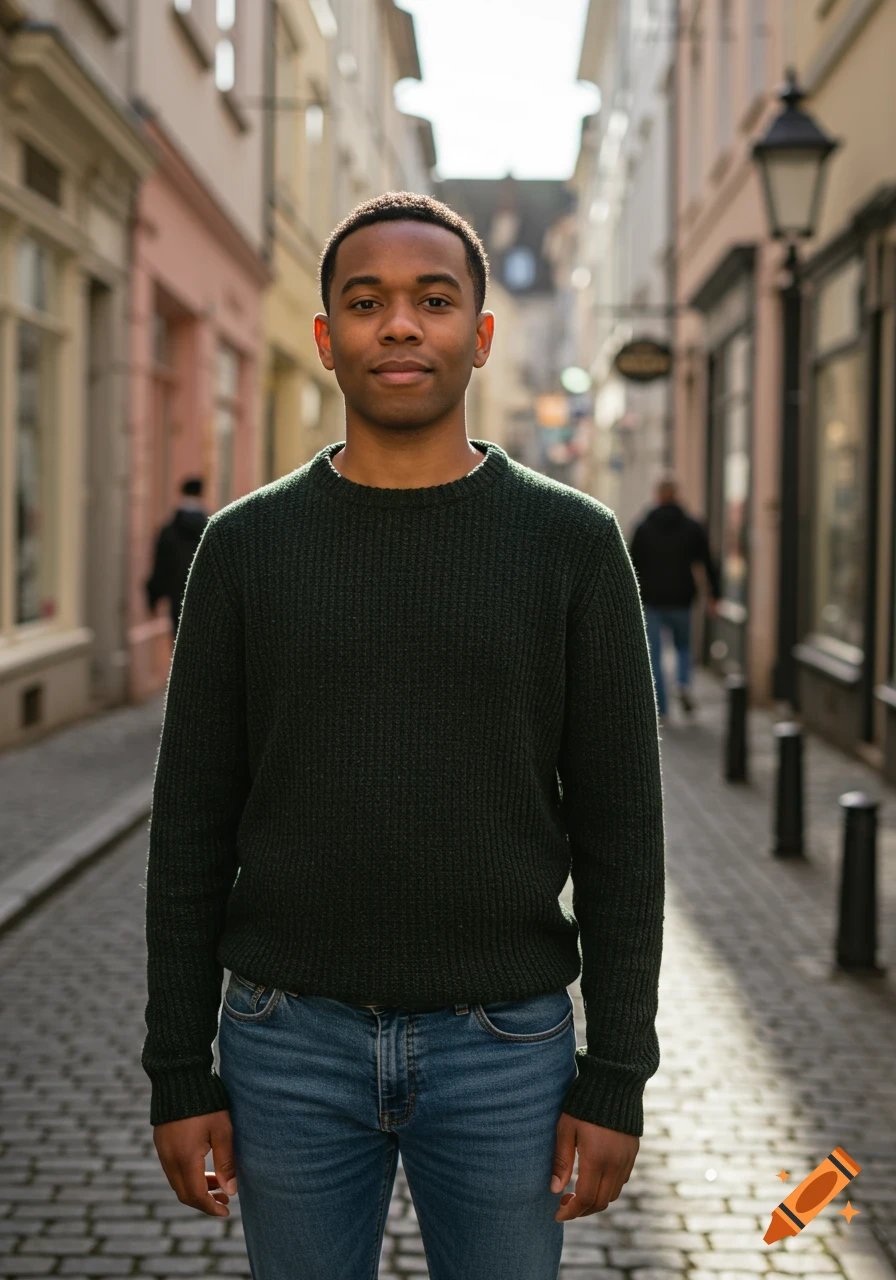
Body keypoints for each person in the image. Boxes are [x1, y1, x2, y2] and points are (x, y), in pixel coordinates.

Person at [143, 192, 665, 1280]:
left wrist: (615, 1069)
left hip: (506, 1052)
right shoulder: (243, 549)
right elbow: (190, 827)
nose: (398, 324)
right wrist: (178, 1068)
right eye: (366, 300)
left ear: (478, 337)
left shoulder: (572, 545)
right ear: (325, 336)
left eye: (432, 300)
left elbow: (622, 831)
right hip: (285, 1044)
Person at [629, 475, 720, 722]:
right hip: (682, 598)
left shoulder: (644, 527)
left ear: (657, 496)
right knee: (683, 648)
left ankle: (662, 707)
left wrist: (629, 598)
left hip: (652, 600)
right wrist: (715, 594)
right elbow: (708, 561)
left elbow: (630, 565)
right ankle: (682, 684)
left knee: (654, 655)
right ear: (676, 495)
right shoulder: (692, 526)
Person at [145, 478, 209, 637]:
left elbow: (160, 563)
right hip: (205, 599)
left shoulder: (169, 530)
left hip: (178, 595)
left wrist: (153, 596)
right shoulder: (211, 529)